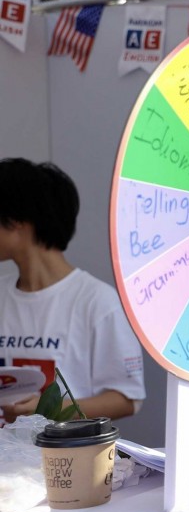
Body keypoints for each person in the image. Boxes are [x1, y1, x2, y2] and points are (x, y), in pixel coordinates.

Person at [0, 158, 144, 422]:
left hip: (67, 458)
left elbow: (127, 398)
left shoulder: (97, 302)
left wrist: (51, 410)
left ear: (19, 220)